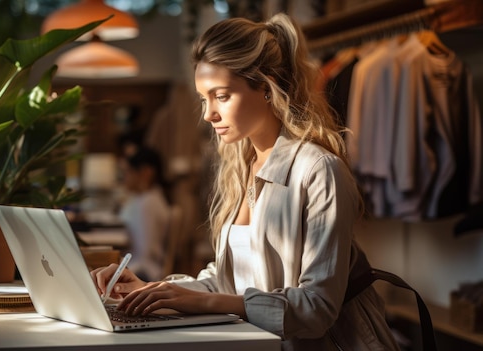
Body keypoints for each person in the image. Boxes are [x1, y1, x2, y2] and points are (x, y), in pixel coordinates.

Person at [91, 13, 400, 351]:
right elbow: (231, 284)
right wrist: (149, 289)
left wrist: (204, 303)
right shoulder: (242, 167)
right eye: (203, 99)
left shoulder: (318, 170)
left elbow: (316, 309)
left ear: (266, 89)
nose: (208, 114)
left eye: (221, 96)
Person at [117, 146, 171, 281]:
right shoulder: (143, 199)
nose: (125, 178)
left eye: (128, 172)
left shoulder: (148, 204)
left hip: (143, 270)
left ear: (146, 172)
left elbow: (145, 251)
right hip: (139, 263)